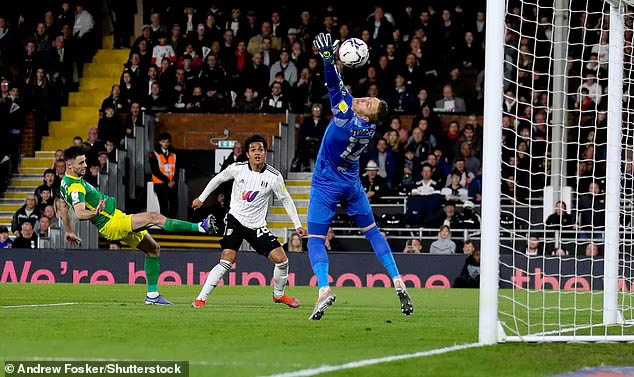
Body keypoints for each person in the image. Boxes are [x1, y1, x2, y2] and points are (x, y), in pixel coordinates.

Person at [306, 33, 413, 320]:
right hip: (352, 184)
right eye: (369, 98)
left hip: (327, 185)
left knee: (315, 239)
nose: (365, 99)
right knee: (373, 232)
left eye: (369, 103)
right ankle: (398, 280)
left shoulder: (343, 116)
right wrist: (336, 64)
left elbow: (333, 87)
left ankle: (324, 290)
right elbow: (344, 92)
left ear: (367, 116)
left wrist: (330, 60)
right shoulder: (367, 127)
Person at [59, 146, 215, 305]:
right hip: (111, 223)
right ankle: (201, 227)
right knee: (153, 217)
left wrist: (69, 231)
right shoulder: (75, 187)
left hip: (116, 218)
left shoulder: (65, 182)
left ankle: (152, 296)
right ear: (70, 166)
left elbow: (62, 206)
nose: (85, 165)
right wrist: (96, 213)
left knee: (153, 249)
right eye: (81, 163)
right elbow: (79, 214)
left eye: (85, 161)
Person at [191, 135, 305, 310]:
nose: (257, 153)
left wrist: (297, 224)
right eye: (253, 150)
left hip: (257, 226)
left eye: (260, 150)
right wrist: (201, 198)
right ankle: (200, 299)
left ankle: (279, 295)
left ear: (265, 153)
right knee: (227, 260)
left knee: (282, 260)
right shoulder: (237, 168)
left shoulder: (274, 176)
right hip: (235, 220)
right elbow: (218, 179)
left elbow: (286, 199)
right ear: (247, 154)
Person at [150, 133, 178, 217]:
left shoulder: (174, 153)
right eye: (163, 141)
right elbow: (155, 170)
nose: (165, 144)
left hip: (172, 184)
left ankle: (173, 226)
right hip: (160, 184)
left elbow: (177, 169)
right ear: (159, 142)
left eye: (167, 142)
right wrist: (167, 181)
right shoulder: (154, 154)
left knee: (174, 206)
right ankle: (165, 227)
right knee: (164, 207)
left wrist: (174, 181)